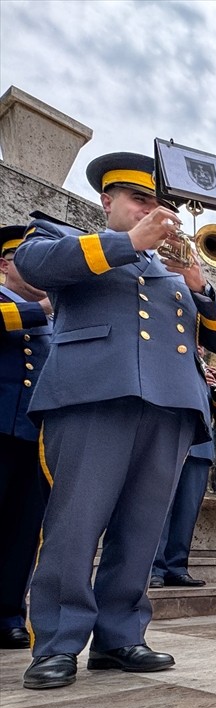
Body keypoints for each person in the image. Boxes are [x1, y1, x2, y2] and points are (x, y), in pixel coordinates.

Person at [17, 152, 216, 689]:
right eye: (141, 199)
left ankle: (120, 637)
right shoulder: (64, 239)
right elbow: (36, 268)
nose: (153, 211)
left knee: (141, 530)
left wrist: (200, 285)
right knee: (74, 524)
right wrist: (130, 243)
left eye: (161, 204)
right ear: (107, 201)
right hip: (93, 396)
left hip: (170, 405)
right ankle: (58, 643)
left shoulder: (172, 271)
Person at [0, 223, 51, 649]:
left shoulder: (49, 315)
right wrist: (46, 310)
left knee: (24, 531)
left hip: (33, 437)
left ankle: (8, 614)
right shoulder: (31, 310)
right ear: (4, 264)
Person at [150, 353, 216, 588]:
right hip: (170, 440)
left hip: (200, 448)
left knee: (187, 512)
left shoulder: (205, 372)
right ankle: (153, 568)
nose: (199, 349)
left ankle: (176, 566)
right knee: (161, 508)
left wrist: (213, 387)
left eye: (201, 345)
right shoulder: (166, 360)